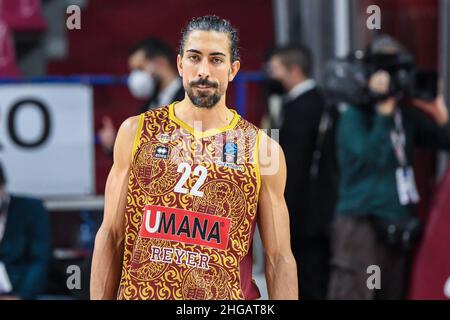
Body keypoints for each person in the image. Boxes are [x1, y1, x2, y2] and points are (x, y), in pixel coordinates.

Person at [90, 15, 298, 300]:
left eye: (216, 60)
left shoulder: (262, 148)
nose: (204, 71)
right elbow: (111, 236)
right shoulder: (136, 131)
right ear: (179, 64)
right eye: (194, 58)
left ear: (233, 69)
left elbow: (278, 258)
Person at [328, 36, 450, 300]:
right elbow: (368, 160)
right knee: (355, 292)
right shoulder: (353, 117)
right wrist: (382, 114)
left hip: (398, 222)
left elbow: (445, 141)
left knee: (393, 292)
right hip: (361, 223)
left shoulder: (404, 116)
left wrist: (440, 113)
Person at [267, 45, 337, 299]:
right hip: (310, 212)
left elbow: (293, 164)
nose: (271, 76)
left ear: (293, 70)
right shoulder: (304, 102)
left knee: (307, 277)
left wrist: (281, 211)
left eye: (275, 70)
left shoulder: (304, 107)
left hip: (305, 213)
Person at [98, 38, 185, 155]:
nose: (135, 77)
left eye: (140, 68)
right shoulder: (148, 106)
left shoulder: (190, 98)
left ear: (160, 63)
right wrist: (113, 146)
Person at [0, 163, 50, 300]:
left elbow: (39, 260)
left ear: (3, 186)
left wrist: (21, 296)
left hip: (21, 292)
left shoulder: (31, 209)